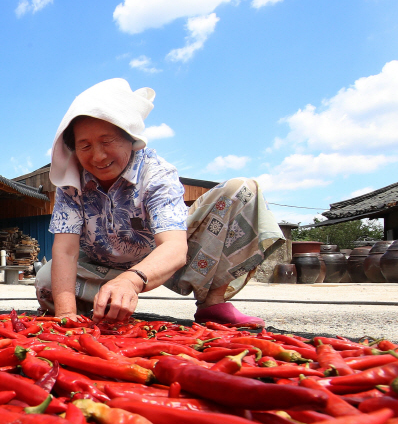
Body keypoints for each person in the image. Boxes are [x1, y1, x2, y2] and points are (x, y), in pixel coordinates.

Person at [35, 78, 284, 327]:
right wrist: (65, 317)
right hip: (100, 268)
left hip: (163, 260)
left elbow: (174, 247)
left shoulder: (156, 173)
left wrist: (132, 280)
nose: (98, 156)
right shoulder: (71, 183)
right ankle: (101, 307)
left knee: (240, 190)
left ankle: (212, 303)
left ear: (131, 139)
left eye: (107, 141)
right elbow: (65, 251)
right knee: (48, 281)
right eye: (85, 145)